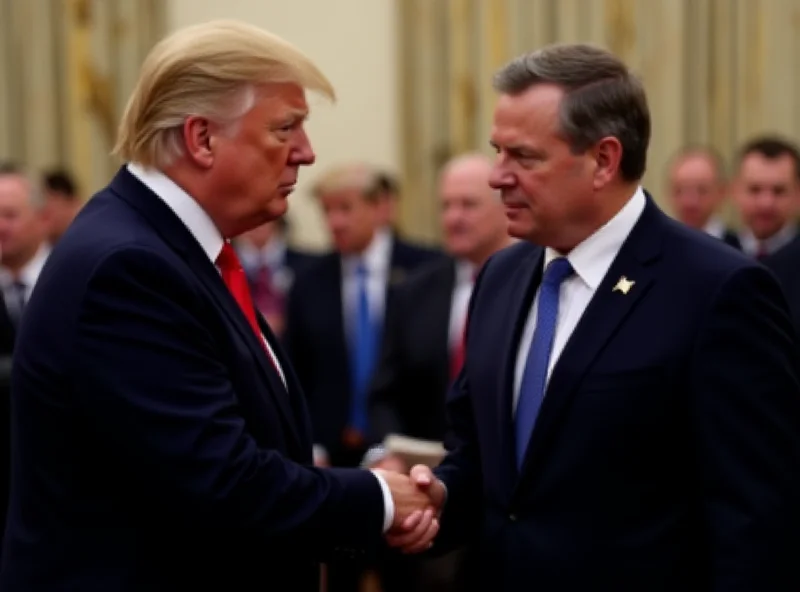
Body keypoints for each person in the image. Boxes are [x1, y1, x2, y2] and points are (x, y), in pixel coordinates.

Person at [0, 20, 437, 592]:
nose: (306, 154)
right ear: (202, 138)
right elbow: (220, 481)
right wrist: (378, 498)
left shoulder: (173, 251)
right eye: (287, 128)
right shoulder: (129, 268)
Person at [402, 43, 800, 591]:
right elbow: (481, 459)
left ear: (603, 160)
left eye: (524, 157)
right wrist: (438, 493)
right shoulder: (499, 278)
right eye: (497, 152)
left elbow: (755, 516)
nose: (498, 177)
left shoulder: (718, 290)